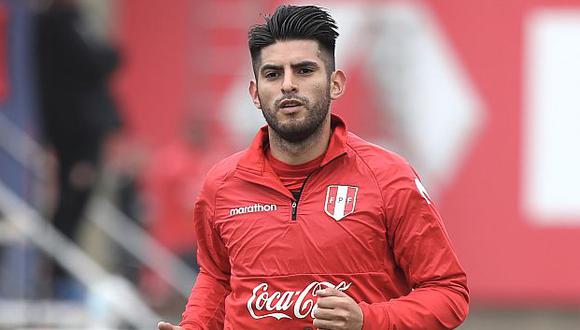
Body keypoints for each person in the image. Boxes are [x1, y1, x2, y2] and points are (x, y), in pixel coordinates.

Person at [158, 5, 468, 330]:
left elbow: (449, 293)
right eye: (273, 74)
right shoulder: (221, 185)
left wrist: (367, 320)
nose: (288, 85)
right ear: (254, 93)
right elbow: (217, 278)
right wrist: (194, 326)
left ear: (335, 83)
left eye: (304, 70)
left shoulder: (390, 177)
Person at [35, 0, 122, 298]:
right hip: (74, 134)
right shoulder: (57, 24)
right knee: (71, 202)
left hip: (83, 132)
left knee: (79, 203)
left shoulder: (75, 22)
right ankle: (58, 279)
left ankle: (62, 276)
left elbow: (103, 58)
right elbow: (98, 60)